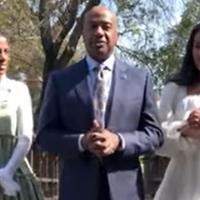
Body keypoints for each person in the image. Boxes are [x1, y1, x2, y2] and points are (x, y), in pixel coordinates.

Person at [36, 5, 163, 200]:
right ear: (83, 33)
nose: (99, 32)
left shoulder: (141, 80)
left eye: (106, 26)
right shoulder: (60, 80)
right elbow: (44, 136)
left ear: (116, 35)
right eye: (93, 26)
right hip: (77, 191)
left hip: (125, 192)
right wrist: (82, 142)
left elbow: (154, 135)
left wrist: (119, 141)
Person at [154, 23, 200, 200]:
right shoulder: (174, 88)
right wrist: (185, 129)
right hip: (178, 187)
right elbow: (158, 141)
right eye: (198, 46)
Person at [0, 34, 44, 199]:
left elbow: (25, 136)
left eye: (6, 52)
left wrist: (7, 172)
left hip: (14, 173)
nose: (3, 58)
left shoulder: (19, 90)